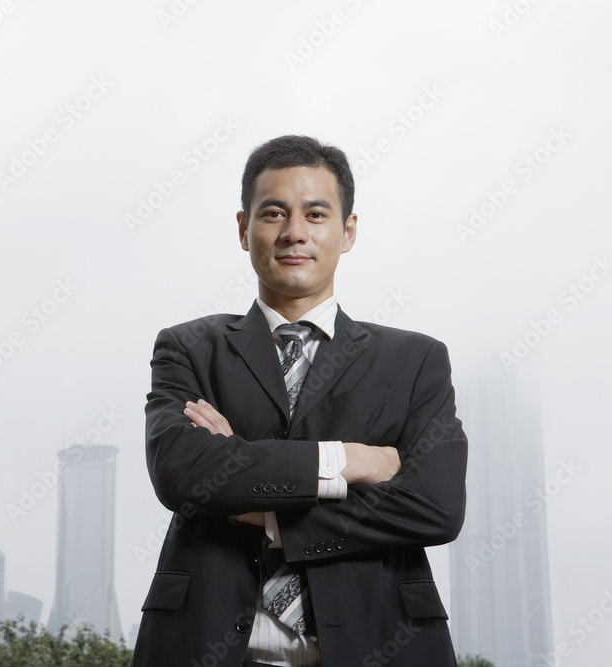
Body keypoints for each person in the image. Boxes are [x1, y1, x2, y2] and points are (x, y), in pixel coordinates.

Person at [132, 135, 467, 667]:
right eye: (273, 214)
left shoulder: (416, 360)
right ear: (244, 229)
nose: (294, 233)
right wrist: (350, 461)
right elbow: (183, 474)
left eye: (315, 214)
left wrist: (261, 507)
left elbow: (435, 507)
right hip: (207, 646)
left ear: (347, 231)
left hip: (380, 643)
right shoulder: (190, 348)